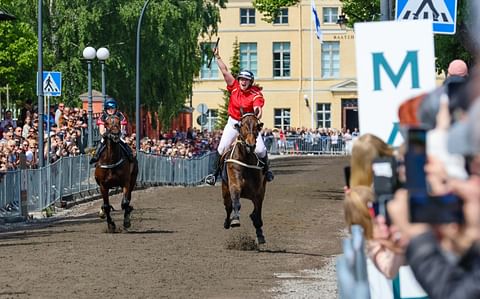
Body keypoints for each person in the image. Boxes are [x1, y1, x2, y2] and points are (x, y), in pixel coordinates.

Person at [205, 47, 274, 185]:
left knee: (260, 149)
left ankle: (267, 171)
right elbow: (225, 71)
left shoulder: (255, 93)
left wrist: (257, 112)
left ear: (251, 82)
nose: (243, 82)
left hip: (249, 126)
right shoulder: (234, 86)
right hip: (233, 123)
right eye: (241, 79)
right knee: (222, 147)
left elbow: (258, 107)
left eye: (246, 80)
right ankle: (213, 174)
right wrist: (217, 57)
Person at [89, 99, 134, 164]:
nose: (110, 110)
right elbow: (101, 130)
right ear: (106, 108)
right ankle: (96, 156)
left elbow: (122, 128)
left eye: (112, 108)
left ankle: (130, 155)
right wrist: (106, 135)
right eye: (108, 108)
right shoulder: (103, 115)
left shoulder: (119, 114)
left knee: (124, 143)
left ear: (115, 108)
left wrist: (119, 134)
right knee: (101, 142)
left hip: (118, 134)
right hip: (107, 135)